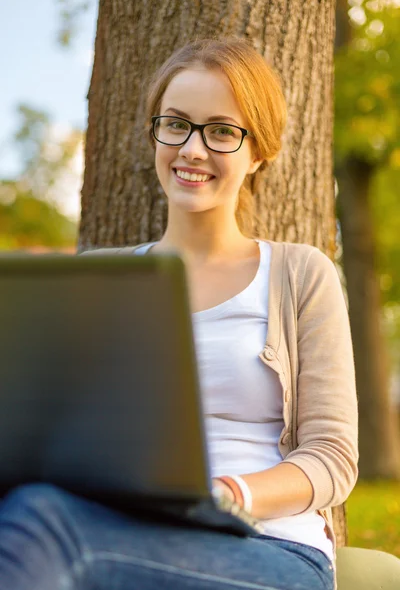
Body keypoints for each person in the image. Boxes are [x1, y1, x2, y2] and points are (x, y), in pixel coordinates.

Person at [0, 37, 358, 590]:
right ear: (156, 134)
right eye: (177, 124)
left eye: (221, 131)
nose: (192, 149)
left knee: (44, 527)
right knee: (36, 507)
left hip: (270, 546)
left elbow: (333, 458)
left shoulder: (300, 273)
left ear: (258, 151)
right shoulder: (100, 276)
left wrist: (227, 495)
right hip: (120, 529)